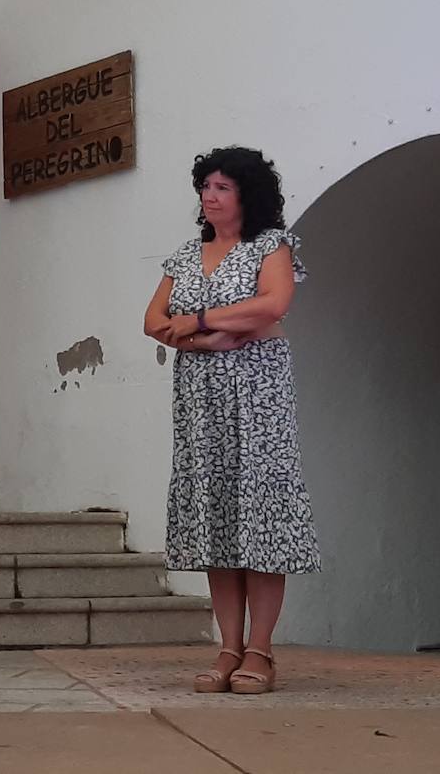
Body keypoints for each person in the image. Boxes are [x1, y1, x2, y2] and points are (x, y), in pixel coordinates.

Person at [142, 146, 320, 695]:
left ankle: (261, 650)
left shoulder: (272, 245)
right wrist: (213, 335)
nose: (209, 196)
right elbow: (151, 322)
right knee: (216, 517)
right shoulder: (184, 254)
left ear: (247, 193)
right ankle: (227, 648)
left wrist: (193, 321)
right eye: (205, 186)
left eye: (221, 186)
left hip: (259, 394)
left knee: (260, 514)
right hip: (200, 399)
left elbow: (272, 306)